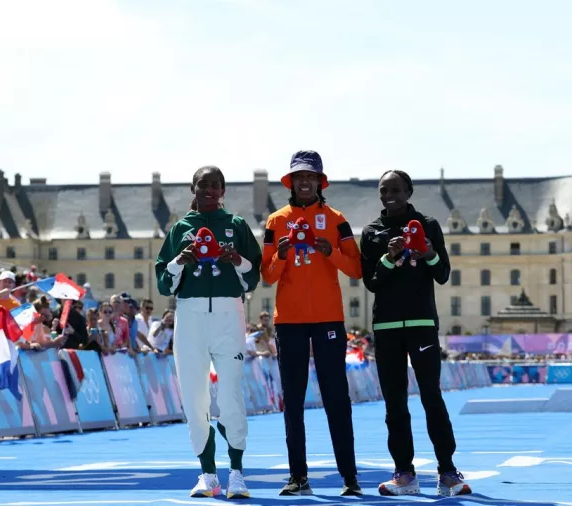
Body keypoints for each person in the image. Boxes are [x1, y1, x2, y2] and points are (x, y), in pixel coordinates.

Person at [359, 170, 472, 497]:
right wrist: (390, 258)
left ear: (408, 191)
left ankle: (447, 472)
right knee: (395, 405)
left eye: (395, 189)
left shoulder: (429, 226)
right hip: (387, 328)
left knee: (431, 398)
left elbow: (443, 273)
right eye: (384, 190)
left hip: (422, 324)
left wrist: (428, 253)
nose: (389, 195)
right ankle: (404, 474)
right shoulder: (371, 232)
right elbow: (372, 283)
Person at [155, 165, 262, 499]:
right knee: (194, 396)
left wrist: (236, 259)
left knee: (230, 394)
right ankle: (208, 474)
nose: (210, 190)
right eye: (204, 185)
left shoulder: (236, 225)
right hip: (190, 315)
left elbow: (254, 275)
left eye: (216, 186)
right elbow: (163, 281)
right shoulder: (181, 229)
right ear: (194, 188)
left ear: (223, 190)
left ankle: (237, 473)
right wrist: (179, 262)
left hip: (229, 314)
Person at [260, 150, 363, 496]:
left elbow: (356, 268)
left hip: (328, 319)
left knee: (337, 396)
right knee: (293, 397)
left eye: (311, 177)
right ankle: (298, 477)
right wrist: (282, 255)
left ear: (321, 182)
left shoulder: (337, 219)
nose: (305, 183)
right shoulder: (276, 221)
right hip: (289, 321)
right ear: (290, 183)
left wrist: (327, 250)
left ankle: (350, 478)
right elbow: (267, 276)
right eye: (299, 177)